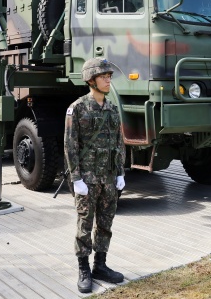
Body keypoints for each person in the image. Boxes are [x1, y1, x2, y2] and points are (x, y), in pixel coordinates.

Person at [64, 58, 126, 293]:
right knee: (85, 224)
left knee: (105, 223)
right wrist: (76, 178)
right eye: (103, 77)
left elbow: (119, 143)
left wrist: (120, 172)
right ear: (91, 80)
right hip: (87, 179)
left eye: (109, 76)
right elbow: (70, 145)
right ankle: (84, 269)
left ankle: (100, 265)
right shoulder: (77, 108)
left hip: (109, 178)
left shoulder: (112, 108)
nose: (108, 80)